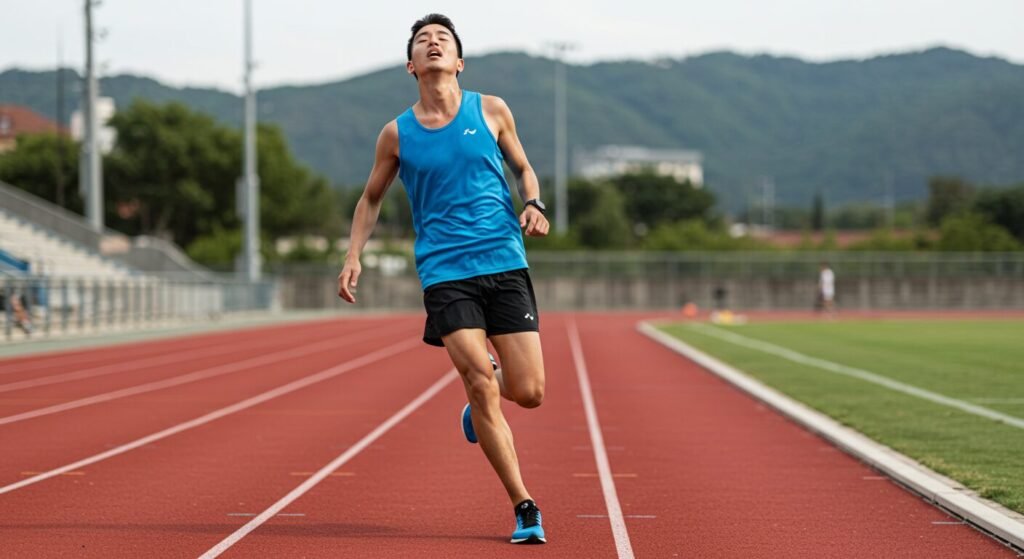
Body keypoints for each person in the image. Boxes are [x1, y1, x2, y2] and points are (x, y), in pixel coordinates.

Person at [336, 14, 549, 545]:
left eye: (443, 40)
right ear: (412, 65)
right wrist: (353, 255)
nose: (433, 44)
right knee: (479, 376)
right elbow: (371, 199)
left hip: (504, 262)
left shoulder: (492, 109)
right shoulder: (396, 134)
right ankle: (524, 506)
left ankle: (480, 409)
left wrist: (534, 202)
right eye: (423, 41)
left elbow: (524, 168)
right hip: (445, 271)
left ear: (458, 61)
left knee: (529, 390)